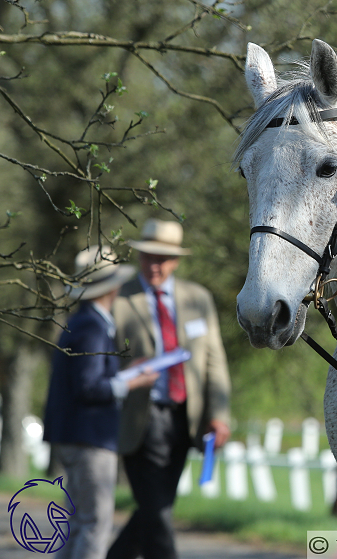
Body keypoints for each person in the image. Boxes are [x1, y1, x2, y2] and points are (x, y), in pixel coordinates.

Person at [107, 219, 232, 559]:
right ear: (139, 256)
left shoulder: (198, 299)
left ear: (176, 261)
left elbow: (213, 363)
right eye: (149, 256)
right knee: (158, 513)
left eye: (163, 258)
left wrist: (218, 415)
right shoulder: (119, 299)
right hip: (139, 419)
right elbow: (102, 362)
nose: (155, 265)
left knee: (156, 508)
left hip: (185, 419)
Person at [43, 248, 158, 559]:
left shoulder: (81, 323)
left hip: (75, 434)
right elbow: (90, 388)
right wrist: (134, 381)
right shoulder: (93, 327)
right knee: (95, 522)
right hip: (90, 437)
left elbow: (88, 377)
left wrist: (126, 373)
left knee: (78, 521)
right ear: (112, 288)